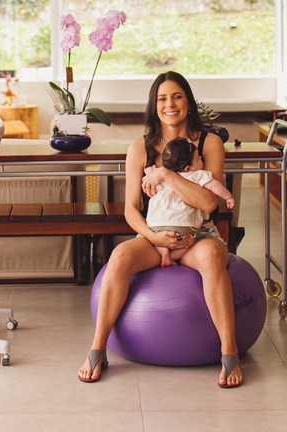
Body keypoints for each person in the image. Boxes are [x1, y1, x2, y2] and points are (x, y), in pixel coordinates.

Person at [78, 71, 243, 388]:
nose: (170, 104)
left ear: (189, 103)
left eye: (177, 96)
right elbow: (130, 209)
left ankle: (229, 353)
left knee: (211, 258)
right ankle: (98, 348)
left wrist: (167, 175)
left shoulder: (210, 143)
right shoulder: (139, 148)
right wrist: (153, 237)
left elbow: (209, 203)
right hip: (154, 234)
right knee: (120, 257)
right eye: (163, 98)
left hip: (200, 236)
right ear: (154, 106)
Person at [145, 138, 235, 268]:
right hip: (183, 225)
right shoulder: (198, 175)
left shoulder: (159, 175)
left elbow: (147, 176)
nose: (201, 160)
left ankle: (162, 250)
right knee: (190, 243)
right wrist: (228, 197)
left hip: (157, 225)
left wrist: (153, 173)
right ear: (187, 168)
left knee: (156, 243)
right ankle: (170, 257)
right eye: (198, 158)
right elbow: (215, 186)